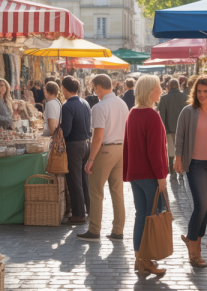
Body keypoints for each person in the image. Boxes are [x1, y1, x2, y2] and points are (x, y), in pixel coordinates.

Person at [174, 75, 207, 267]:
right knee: (201, 205)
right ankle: (194, 253)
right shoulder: (188, 112)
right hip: (196, 164)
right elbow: (179, 136)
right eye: (199, 91)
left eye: (206, 91)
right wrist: (178, 158)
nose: (202, 95)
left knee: (205, 208)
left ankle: (193, 240)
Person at [123, 75, 168, 275]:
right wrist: (161, 176)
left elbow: (128, 147)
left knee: (142, 216)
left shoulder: (133, 113)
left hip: (136, 175)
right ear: (150, 90)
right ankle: (146, 260)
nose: (161, 91)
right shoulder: (151, 115)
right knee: (151, 217)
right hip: (150, 175)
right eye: (158, 88)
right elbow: (154, 151)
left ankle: (139, 259)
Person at [77, 74, 129, 242]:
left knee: (96, 191)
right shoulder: (122, 103)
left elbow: (98, 136)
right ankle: (118, 230)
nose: (95, 92)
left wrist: (90, 159)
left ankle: (94, 230)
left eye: (94, 88)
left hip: (105, 150)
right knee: (117, 191)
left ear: (98, 87)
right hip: (121, 149)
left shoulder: (99, 107)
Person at [60, 76, 91, 224]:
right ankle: (89, 209)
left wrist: (57, 129)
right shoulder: (84, 102)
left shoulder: (67, 106)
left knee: (75, 181)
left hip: (74, 146)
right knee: (84, 180)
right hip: (85, 144)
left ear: (65, 89)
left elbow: (66, 131)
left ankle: (79, 214)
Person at [158, 79, 188, 177]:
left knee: (170, 148)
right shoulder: (185, 97)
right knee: (181, 147)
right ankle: (181, 166)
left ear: (169, 86)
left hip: (168, 127)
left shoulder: (164, 98)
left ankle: (171, 168)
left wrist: (163, 129)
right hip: (182, 128)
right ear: (178, 86)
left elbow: (162, 116)